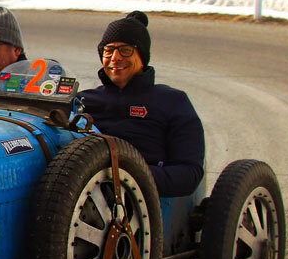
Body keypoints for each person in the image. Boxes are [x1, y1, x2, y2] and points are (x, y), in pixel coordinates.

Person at [76, 11, 205, 197]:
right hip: (77, 196)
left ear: (142, 56)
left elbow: (189, 175)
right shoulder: (83, 101)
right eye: (108, 51)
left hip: (142, 202)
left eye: (125, 50)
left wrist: (123, 176)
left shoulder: (173, 102)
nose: (115, 58)